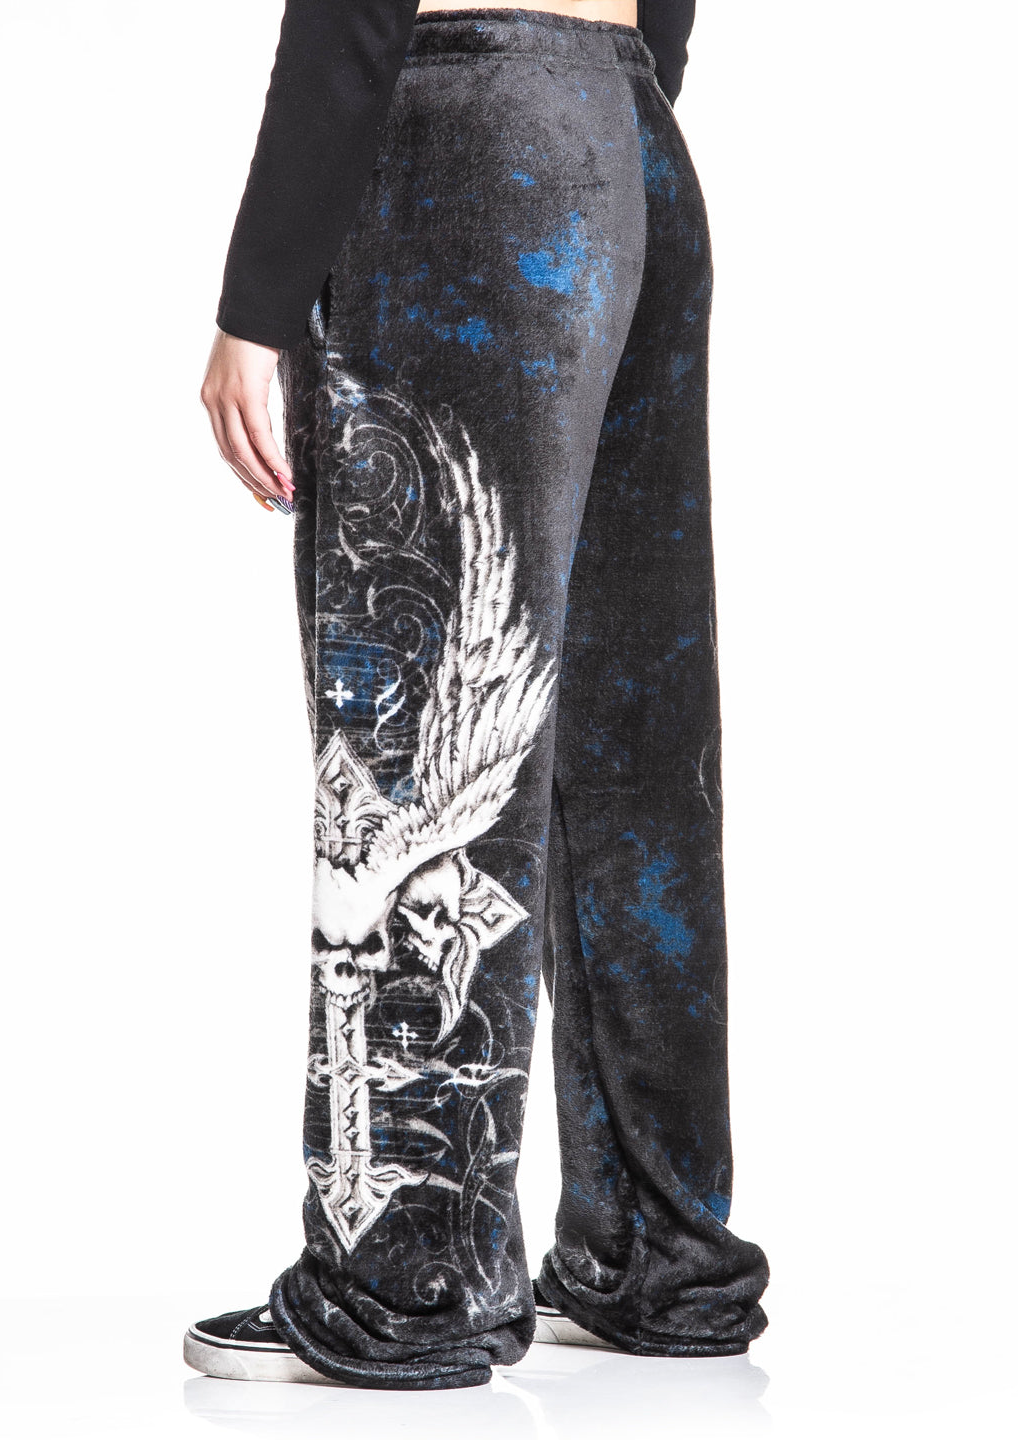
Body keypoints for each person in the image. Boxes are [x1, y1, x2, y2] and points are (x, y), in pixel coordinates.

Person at [186, 1, 769, 1390]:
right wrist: (597, 109)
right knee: (631, 740)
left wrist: (258, 298)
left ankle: (409, 1277)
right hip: (631, 144)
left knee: (423, 730)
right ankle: (660, 1251)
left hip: (469, 142)